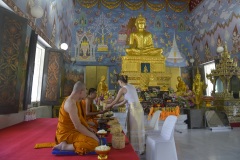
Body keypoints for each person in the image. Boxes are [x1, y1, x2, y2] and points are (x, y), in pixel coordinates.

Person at [53, 81, 99, 155]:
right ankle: (65, 146)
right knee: (94, 143)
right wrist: (92, 136)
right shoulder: (70, 104)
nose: (86, 95)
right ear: (81, 91)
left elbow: (80, 119)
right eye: (86, 92)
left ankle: (67, 144)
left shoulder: (75, 101)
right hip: (66, 134)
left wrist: (88, 128)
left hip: (73, 130)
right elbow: (78, 126)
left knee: (93, 133)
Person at [105, 75, 145, 154]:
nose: (119, 84)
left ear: (120, 81)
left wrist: (109, 106)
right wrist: (114, 105)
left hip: (133, 109)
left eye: (118, 82)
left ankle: (135, 148)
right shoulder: (131, 86)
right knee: (137, 127)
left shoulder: (122, 89)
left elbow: (116, 100)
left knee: (134, 128)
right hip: (139, 108)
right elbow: (126, 100)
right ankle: (139, 147)